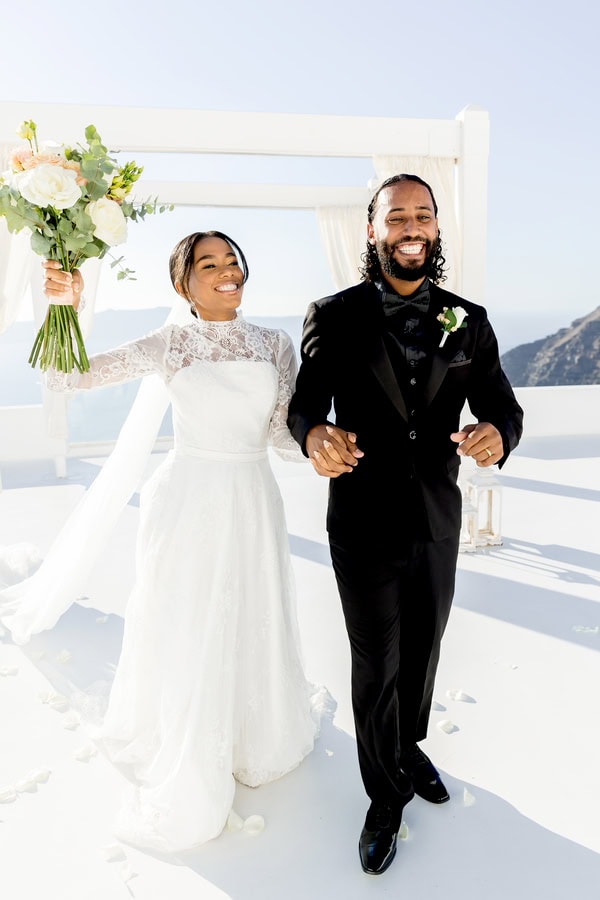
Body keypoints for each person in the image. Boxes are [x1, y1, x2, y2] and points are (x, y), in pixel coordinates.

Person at [8, 231, 325, 854]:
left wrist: (329, 444)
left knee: (250, 613)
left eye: (234, 260)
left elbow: (281, 439)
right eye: (210, 265)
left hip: (253, 496)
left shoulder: (276, 344)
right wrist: (64, 309)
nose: (228, 272)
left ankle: (248, 733)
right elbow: (65, 380)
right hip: (189, 500)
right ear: (183, 285)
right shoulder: (171, 343)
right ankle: (188, 738)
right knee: (194, 618)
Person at [287, 174, 524, 875]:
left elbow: (503, 407)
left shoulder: (468, 319)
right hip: (360, 519)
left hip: (435, 516)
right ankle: (383, 796)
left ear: (436, 227)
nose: (411, 226)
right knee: (376, 660)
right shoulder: (332, 314)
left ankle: (405, 744)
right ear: (373, 230)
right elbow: (304, 406)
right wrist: (313, 437)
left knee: (423, 648)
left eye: (423, 215)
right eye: (397, 217)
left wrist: (495, 435)